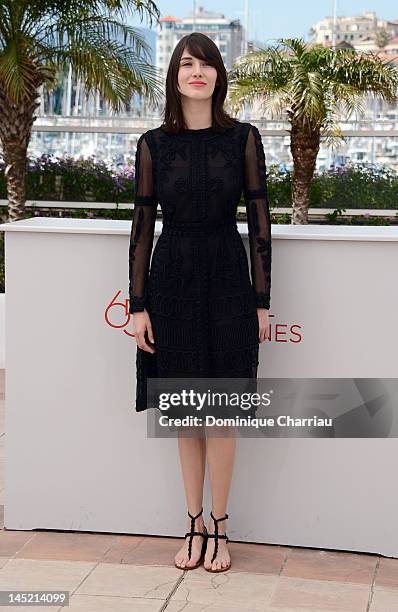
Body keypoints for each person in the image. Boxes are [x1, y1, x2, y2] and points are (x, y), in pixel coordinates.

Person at [129, 32, 272, 573]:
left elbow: (260, 220)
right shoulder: (153, 143)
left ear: (219, 76)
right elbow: (142, 226)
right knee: (186, 412)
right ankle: (191, 523)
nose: (198, 72)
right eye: (187, 63)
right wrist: (138, 304)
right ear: (175, 75)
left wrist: (262, 300)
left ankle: (220, 526)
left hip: (228, 278)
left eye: (207, 64)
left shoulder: (243, 139)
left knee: (223, 414)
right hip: (172, 280)